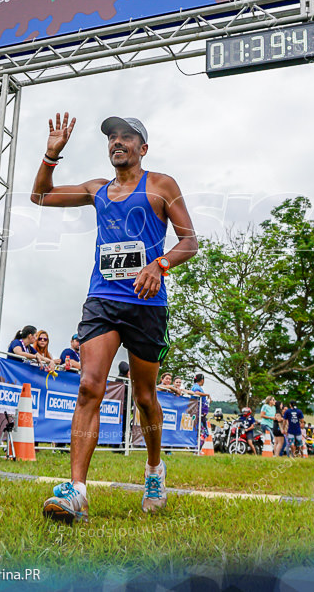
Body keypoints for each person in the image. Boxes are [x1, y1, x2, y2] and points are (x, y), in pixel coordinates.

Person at [33, 112, 197, 523]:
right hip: (102, 299)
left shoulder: (162, 185)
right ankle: (78, 493)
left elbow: (190, 242)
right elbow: (40, 197)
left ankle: (155, 471)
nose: (117, 142)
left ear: (143, 148)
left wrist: (158, 265)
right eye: (112, 137)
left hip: (146, 303)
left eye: (127, 137)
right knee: (90, 386)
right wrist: (51, 156)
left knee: (144, 397)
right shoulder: (97, 189)